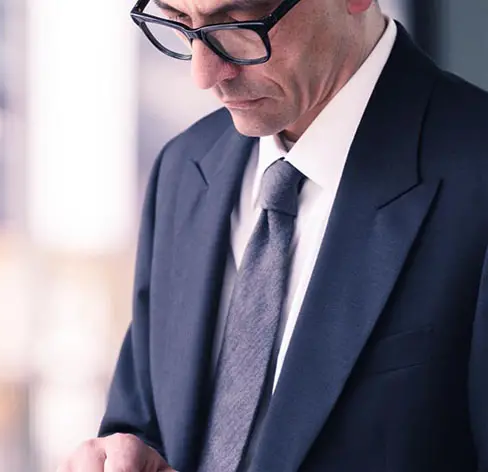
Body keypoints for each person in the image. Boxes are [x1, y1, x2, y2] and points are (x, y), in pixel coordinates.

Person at [57, 0, 488, 470]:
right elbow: (143, 423)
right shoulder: (183, 170)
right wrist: (125, 454)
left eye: (239, 21)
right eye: (180, 21)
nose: (203, 74)